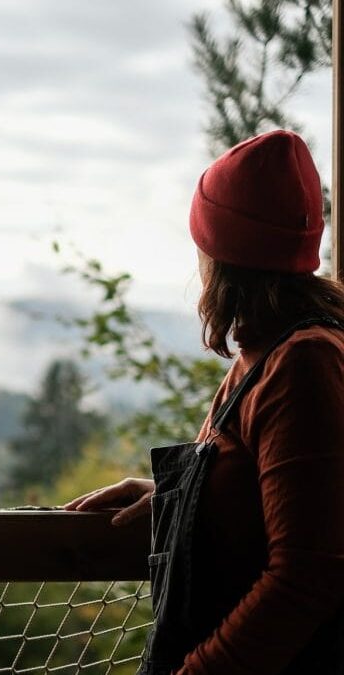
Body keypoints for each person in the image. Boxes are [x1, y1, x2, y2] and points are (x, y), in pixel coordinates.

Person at [62, 129, 344, 674]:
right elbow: (280, 498)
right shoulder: (265, 353)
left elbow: (311, 574)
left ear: (219, 251)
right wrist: (185, 496)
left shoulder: (302, 363)